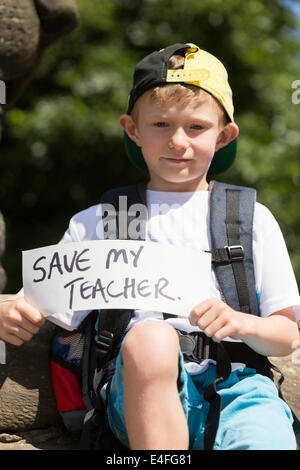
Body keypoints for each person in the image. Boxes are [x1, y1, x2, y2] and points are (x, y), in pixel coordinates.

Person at [0, 42, 299, 450]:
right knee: (150, 337)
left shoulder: (250, 219)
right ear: (133, 130)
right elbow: (39, 304)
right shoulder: (100, 220)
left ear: (225, 135)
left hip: (240, 390)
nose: (178, 141)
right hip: (138, 391)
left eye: (196, 127)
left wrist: (241, 322)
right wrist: (11, 310)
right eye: (161, 125)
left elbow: (285, 335)